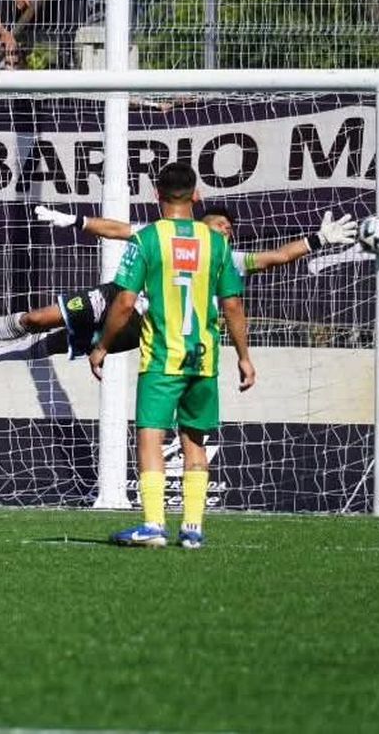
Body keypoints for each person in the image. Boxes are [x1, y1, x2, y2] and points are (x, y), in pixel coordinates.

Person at [0, 205, 357, 384]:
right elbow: (118, 229)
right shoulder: (161, 234)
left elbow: (275, 258)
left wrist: (318, 239)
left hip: (143, 328)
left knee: (51, 347)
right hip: (115, 296)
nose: (226, 231)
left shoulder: (224, 258)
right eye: (220, 225)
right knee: (35, 320)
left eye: (231, 229)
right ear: (199, 219)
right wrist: (72, 220)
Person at [88, 162, 254, 550]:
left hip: (163, 358)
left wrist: (101, 346)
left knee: (149, 434)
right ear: (196, 195)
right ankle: (192, 528)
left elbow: (125, 301)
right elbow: (232, 305)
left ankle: (153, 524)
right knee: (194, 439)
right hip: (204, 359)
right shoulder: (217, 242)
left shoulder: (147, 238)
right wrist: (244, 356)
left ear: (156, 195)